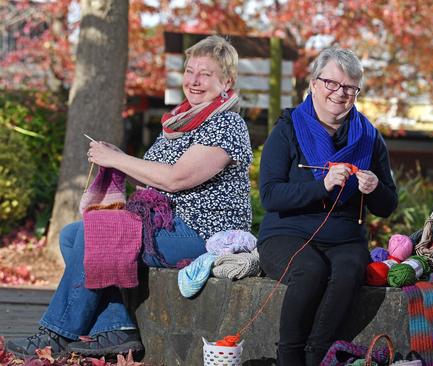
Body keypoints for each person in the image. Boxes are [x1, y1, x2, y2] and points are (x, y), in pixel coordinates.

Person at [5, 35, 253, 358]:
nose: (193, 81)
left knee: (96, 234)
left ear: (226, 81)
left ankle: (55, 334)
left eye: (205, 74)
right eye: (190, 71)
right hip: (167, 223)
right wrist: (116, 155)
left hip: (200, 232)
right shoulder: (180, 123)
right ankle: (116, 328)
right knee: (71, 236)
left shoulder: (226, 124)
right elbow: (151, 172)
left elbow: (176, 179)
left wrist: (118, 161)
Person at [257, 46, 398, 366]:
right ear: (313, 84)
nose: (340, 93)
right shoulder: (287, 128)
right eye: (331, 83)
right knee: (310, 269)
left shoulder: (369, 137)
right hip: (286, 234)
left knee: (349, 270)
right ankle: (289, 357)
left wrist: (374, 187)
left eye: (349, 87)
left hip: (346, 238)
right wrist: (320, 185)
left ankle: (318, 355)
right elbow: (270, 195)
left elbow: (388, 206)